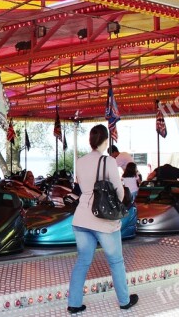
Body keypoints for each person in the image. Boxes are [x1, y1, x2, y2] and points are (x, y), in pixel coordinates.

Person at [67, 124, 137, 313]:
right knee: (116, 261)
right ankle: (124, 301)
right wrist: (121, 204)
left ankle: (73, 304)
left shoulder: (80, 162)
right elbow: (119, 191)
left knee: (83, 261)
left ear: (91, 141)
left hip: (81, 218)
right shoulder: (108, 162)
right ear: (106, 141)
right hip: (103, 218)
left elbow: (82, 188)